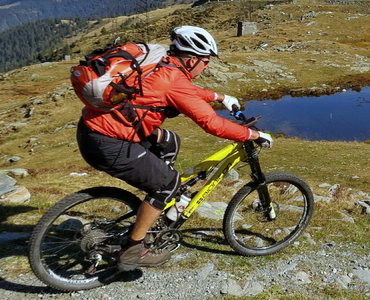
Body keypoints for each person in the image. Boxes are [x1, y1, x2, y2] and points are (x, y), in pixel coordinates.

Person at [76, 25, 272, 270]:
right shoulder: (174, 79)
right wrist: (252, 134)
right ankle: (133, 250)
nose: (207, 66)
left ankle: (166, 203)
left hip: (96, 129)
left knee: (170, 141)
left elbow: (184, 91)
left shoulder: (162, 64)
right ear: (191, 60)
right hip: (110, 143)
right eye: (206, 61)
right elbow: (210, 123)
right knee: (167, 184)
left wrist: (219, 97)